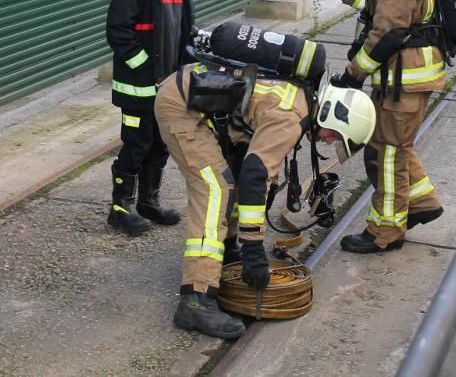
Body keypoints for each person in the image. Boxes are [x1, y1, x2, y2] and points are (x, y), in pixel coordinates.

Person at [156, 63, 377, 339]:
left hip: (195, 95)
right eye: (334, 136)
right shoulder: (290, 118)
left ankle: (222, 255)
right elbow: (255, 176)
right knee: (215, 189)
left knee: (234, 181)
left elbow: (256, 171)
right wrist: (253, 249)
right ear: (335, 117)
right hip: (182, 107)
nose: (327, 142)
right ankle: (195, 299)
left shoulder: (303, 101)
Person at [325, 0, 446, 254]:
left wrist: (352, 74)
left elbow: (386, 33)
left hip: (404, 80)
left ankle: (385, 232)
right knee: (393, 145)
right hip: (407, 77)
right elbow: (384, 9)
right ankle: (422, 202)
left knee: (386, 155)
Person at [105, 0, 203, 236]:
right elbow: (118, 30)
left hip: (167, 85)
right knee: (136, 144)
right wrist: (145, 67)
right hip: (139, 87)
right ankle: (120, 209)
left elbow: (181, 27)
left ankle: (148, 202)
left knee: (160, 144)